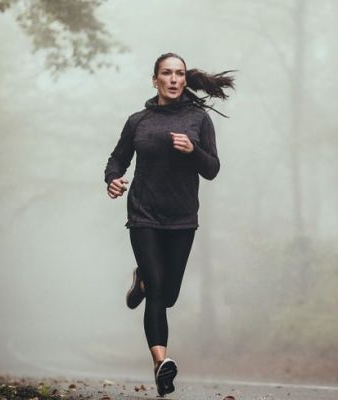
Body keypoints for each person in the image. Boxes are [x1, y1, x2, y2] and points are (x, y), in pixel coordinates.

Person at [104, 52, 233, 397]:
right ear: (155, 79)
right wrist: (114, 179)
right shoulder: (138, 121)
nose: (174, 79)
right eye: (166, 73)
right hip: (144, 214)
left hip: (182, 217)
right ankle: (161, 363)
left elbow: (212, 168)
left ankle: (142, 280)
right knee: (159, 293)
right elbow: (118, 158)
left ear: (184, 80)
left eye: (179, 74)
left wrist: (193, 150)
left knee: (169, 294)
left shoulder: (198, 120)